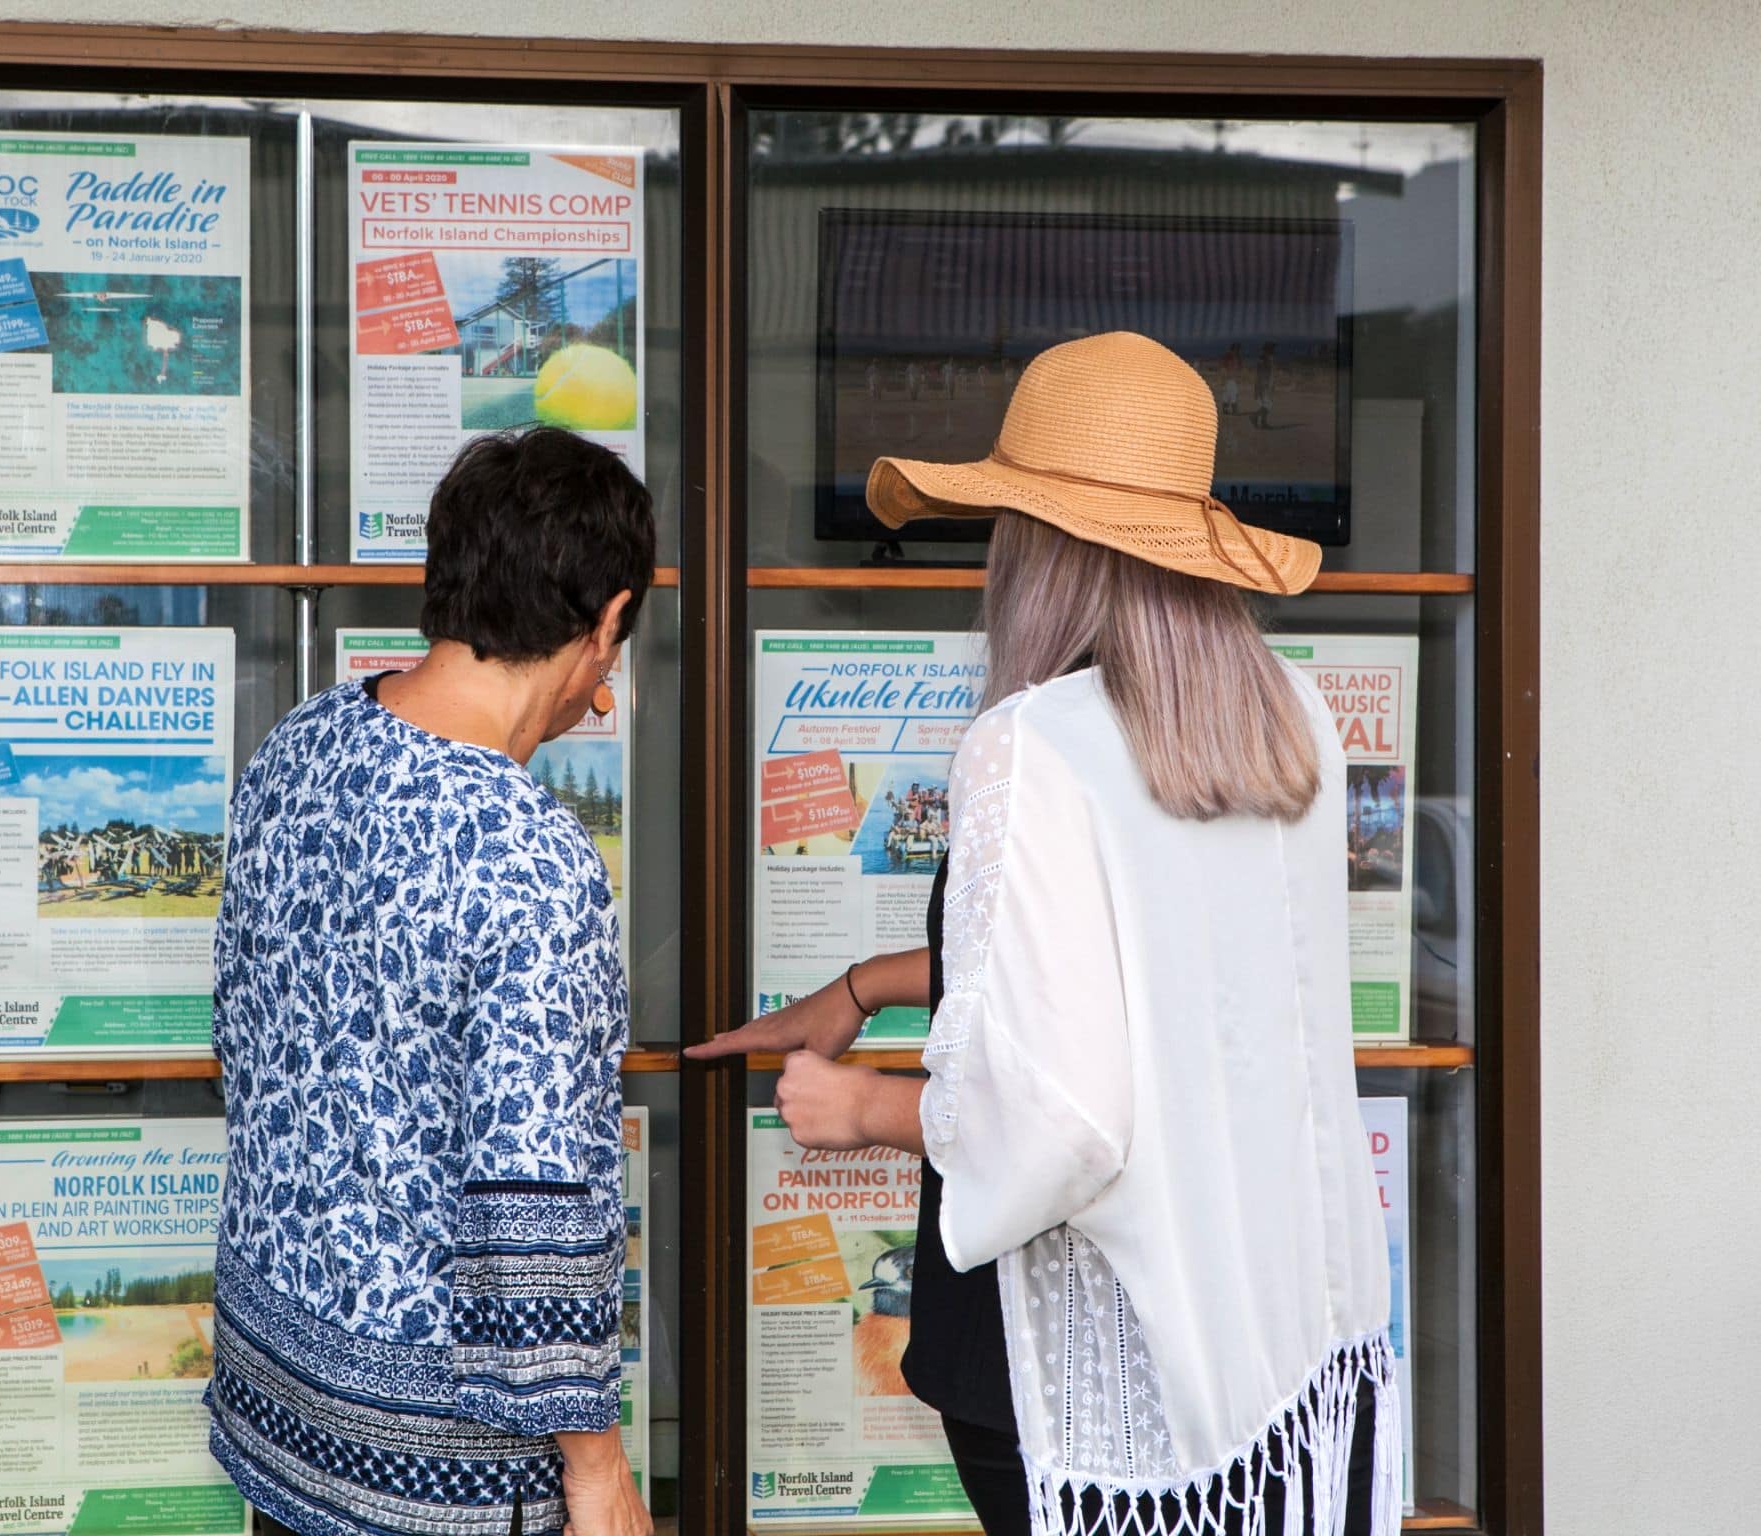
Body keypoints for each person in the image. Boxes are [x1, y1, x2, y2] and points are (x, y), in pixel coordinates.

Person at [691, 333, 1398, 1536]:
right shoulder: (1291, 723)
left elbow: (1062, 1123)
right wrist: (870, 983)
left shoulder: (1033, 741)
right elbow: (1178, 975)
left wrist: (857, 1106)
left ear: (1036, 541)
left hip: (1086, 1379)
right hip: (1276, 1356)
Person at [209, 428, 657, 1536]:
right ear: (605, 623)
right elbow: (533, 1206)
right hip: (433, 1476)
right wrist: (597, 1475)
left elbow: (239, 1035)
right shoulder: (530, 857)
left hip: (281, 1412)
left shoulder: (301, 746)